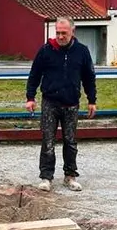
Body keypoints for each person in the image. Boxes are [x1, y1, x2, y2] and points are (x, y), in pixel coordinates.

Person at [26, 16, 97, 192]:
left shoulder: (82, 51)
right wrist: (30, 97)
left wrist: (92, 100)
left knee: (71, 142)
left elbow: (89, 77)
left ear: (72, 32)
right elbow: (34, 75)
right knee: (48, 141)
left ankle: (70, 176)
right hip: (50, 102)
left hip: (71, 103)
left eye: (63, 33)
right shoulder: (46, 51)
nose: (60, 36)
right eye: (57, 32)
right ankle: (46, 177)